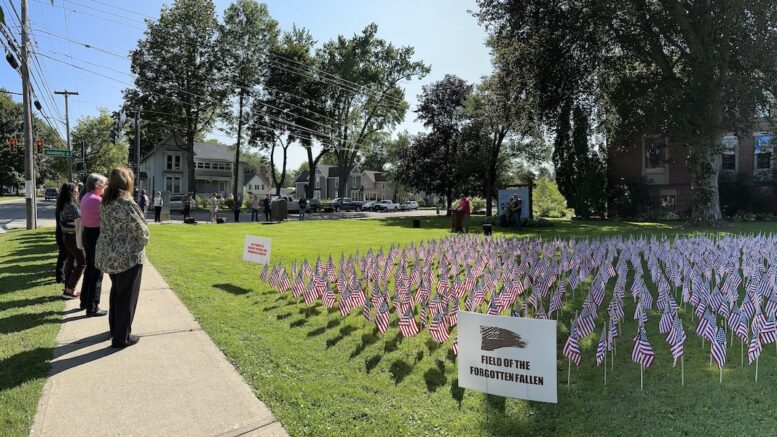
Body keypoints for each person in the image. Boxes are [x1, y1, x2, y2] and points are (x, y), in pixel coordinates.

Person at [96, 167, 149, 348]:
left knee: (117, 293)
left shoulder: (105, 201)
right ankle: (122, 337)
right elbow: (142, 232)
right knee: (126, 297)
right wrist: (143, 241)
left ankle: (115, 329)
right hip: (127, 257)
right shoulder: (127, 203)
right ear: (127, 182)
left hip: (109, 255)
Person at [79, 173, 107, 316]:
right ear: (97, 186)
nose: (105, 187)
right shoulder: (97, 200)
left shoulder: (85, 197)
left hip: (87, 234)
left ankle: (84, 301)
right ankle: (92, 307)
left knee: (89, 269)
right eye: (104, 184)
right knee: (97, 272)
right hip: (95, 235)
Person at [57, 182, 84, 299]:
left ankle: (68, 288)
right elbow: (81, 218)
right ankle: (69, 290)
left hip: (67, 237)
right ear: (70, 193)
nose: (77, 192)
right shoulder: (71, 206)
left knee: (71, 261)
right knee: (82, 262)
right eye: (75, 191)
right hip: (73, 237)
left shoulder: (63, 204)